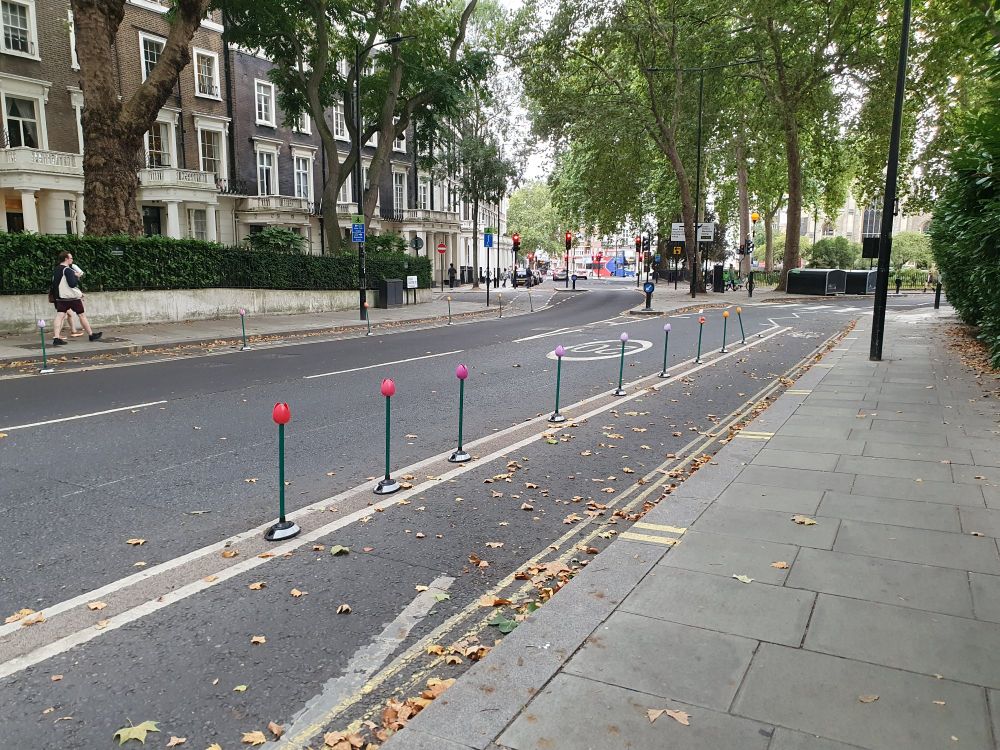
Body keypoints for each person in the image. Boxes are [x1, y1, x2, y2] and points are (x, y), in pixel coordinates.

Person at [50, 251, 102, 345]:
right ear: (66, 259)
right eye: (71, 258)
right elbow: (72, 284)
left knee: (60, 316)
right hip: (72, 298)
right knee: (81, 315)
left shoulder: (57, 269)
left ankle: (56, 337)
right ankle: (91, 334)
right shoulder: (68, 270)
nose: (72, 260)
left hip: (61, 297)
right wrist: (76, 277)